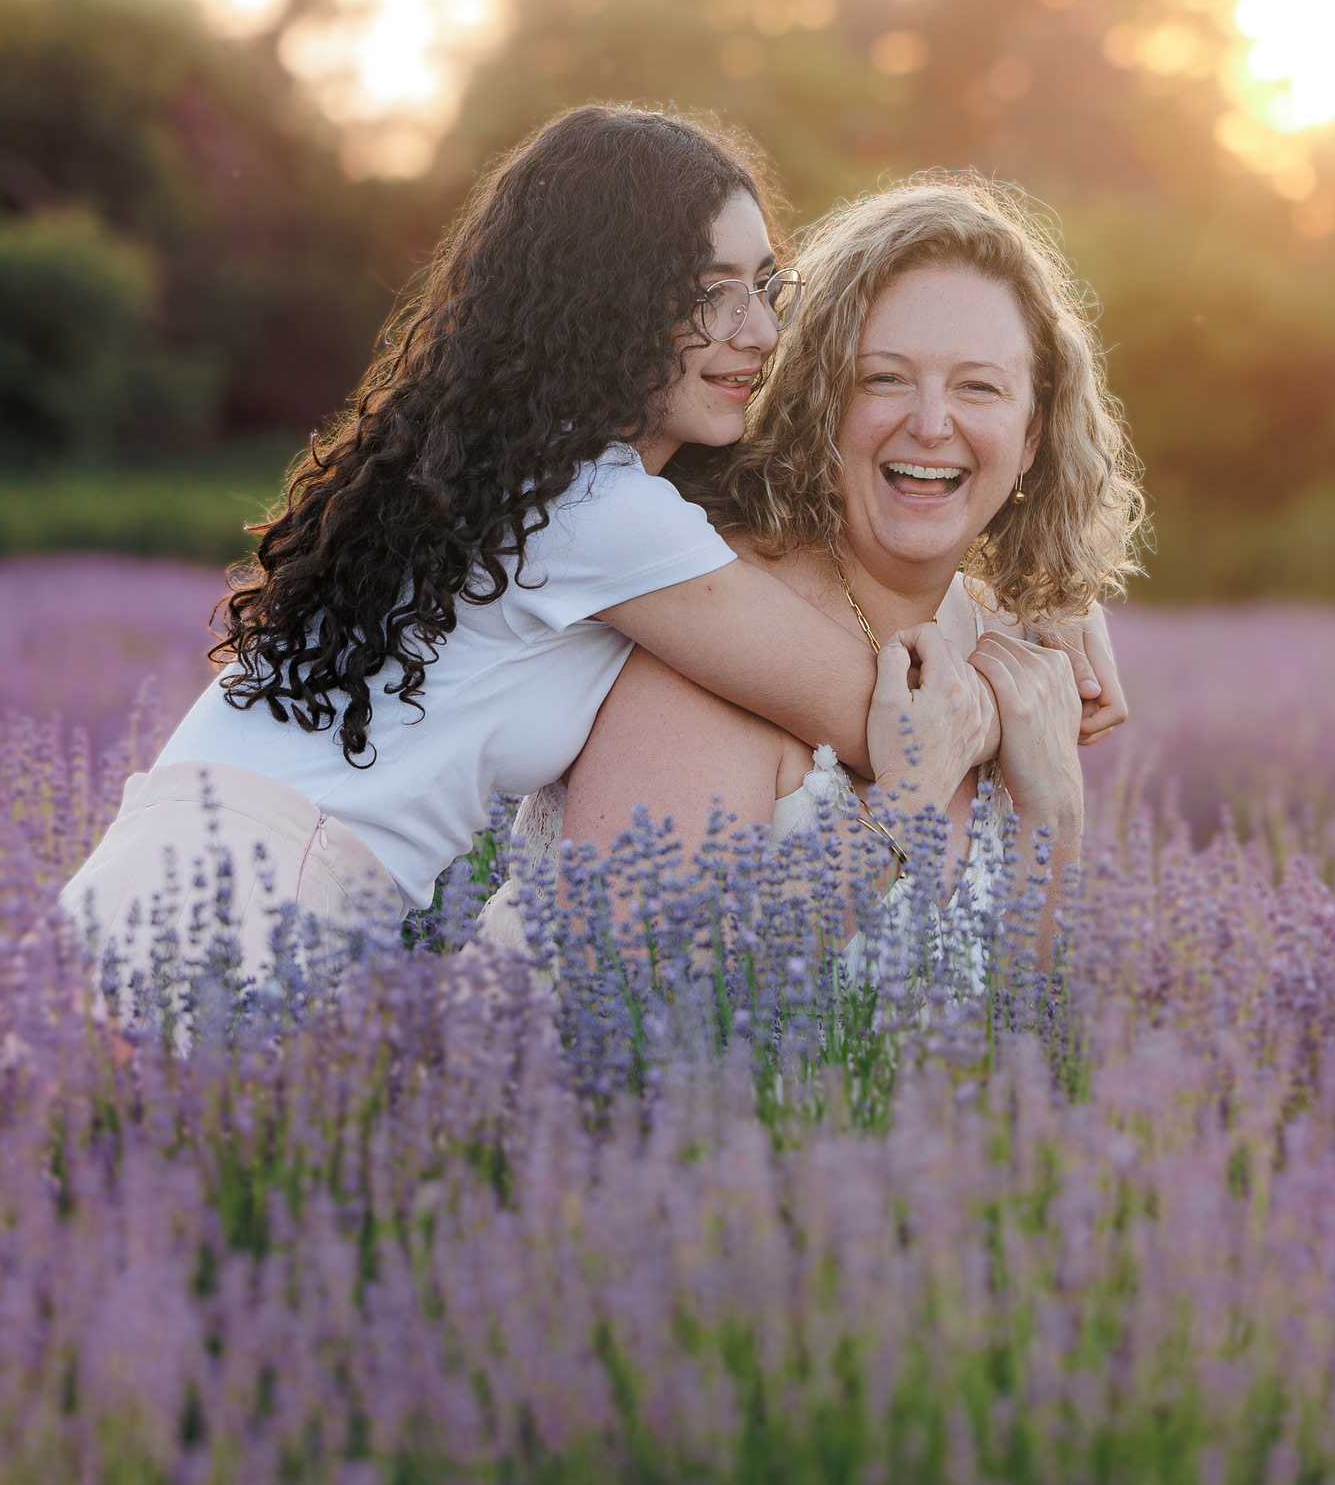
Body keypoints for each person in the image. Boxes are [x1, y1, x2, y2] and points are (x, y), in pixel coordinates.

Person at [63, 109, 1116, 1007]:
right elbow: (869, 703)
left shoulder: (536, 476)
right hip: (248, 908)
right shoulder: (600, 515)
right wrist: (1011, 687)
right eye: (711, 293)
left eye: (765, 285)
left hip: (182, 865)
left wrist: (1045, 590)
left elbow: (821, 487)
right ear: (611, 304)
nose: (759, 332)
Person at [478, 171, 1144, 969]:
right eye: (884, 378)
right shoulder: (715, 635)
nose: (932, 424)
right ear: (818, 400)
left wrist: (1054, 810)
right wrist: (903, 811)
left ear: (1033, 435)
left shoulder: (1010, 642)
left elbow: (1024, 1026)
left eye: (979, 387)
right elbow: (639, 1001)